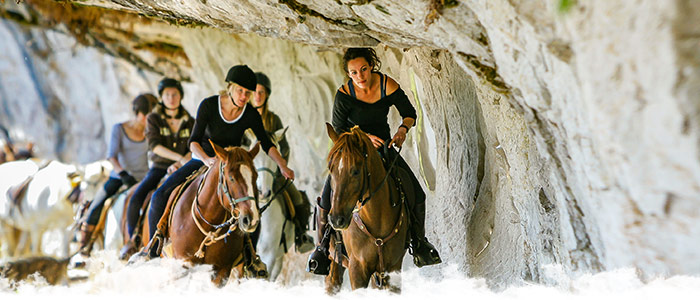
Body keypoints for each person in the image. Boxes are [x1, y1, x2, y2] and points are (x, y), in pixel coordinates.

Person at [142, 65, 295, 274]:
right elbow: (193, 142)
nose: (244, 96)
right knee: (160, 195)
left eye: (248, 93)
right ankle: (153, 246)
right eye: (240, 90)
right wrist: (207, 159)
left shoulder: (249, 113)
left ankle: (249, 256)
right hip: (203, 160)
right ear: (229, 87)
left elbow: (266, 143)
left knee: (252, 209)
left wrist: (282, 165)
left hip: (231, 165)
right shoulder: (209, 106)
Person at [307, 48, 442, 274]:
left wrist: (402, 130)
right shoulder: (344, 95)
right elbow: (339, 131)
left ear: (371, 66)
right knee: (330, 189)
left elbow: (409, 112)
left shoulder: (387, 85)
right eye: (354, 73)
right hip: (353, 150)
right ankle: (321, 248)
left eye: (363, 70)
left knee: (417, 192)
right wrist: (364, 136)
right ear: (348, 74)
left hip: (384, 149)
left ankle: (419, 243)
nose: (360, 76)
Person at [119, 78, 195, 260]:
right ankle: (133, 240)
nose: (171, 98)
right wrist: (179, 158)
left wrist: (183, 162)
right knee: (137, 196)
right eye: (167, 94)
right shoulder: (154, 118)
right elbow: (155, 146)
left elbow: (196, 144)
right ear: (161, 97)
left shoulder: (190, 120)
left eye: (175, 94)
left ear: (181, 96)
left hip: (184, 167)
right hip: (160, 167)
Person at [78, 94, 156, 256]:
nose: (151, 119)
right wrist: (123, 173)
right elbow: (111, 156)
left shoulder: (151, 132)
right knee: (96, 205)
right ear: (140, 114)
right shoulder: (119, 129)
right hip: (120, 177)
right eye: (149, 115)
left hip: (144, 178)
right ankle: (83, 249)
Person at [251, 72, 313, 251]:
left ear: (267, 95)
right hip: (250, 172)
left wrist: (279, 166)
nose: (258, 95)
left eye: (262, 92)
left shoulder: (273, 119)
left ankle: (301, 235)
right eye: (255, 91)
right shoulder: (244, 117)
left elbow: (284, 147)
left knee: (297, 197)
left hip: (272, 172)